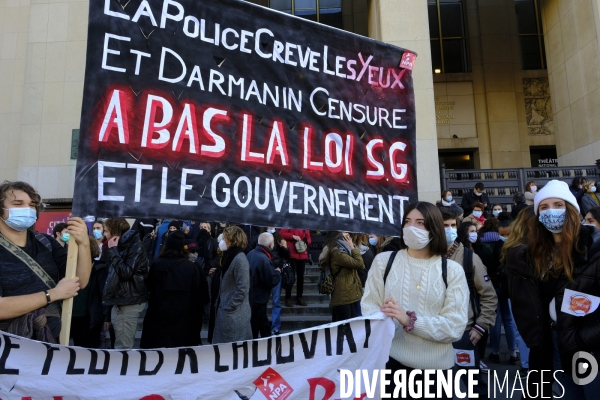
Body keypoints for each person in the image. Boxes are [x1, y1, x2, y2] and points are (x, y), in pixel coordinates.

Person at [362, 202, 469, 399]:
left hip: (437, 375)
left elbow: (455, 326)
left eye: (420, 222)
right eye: (407, 222)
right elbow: (369, 307)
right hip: (392, 367)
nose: (412, 228)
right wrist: (381, 317)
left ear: (434, 228)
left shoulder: (452, 271)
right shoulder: (384, 262)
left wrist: (409, 320)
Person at [505, 180, 600, 398]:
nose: (552, 212)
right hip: (555, 345)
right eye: (544, 207)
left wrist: (578, 337)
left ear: (573, 211)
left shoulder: (594, 248)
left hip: (591, 349)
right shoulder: (538, 254)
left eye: (559, 205)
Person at [0, 181, 92, 343]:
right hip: (9, 348)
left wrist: (84, 243)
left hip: (50, 340)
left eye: (32, 205)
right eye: (18, 204)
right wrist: (53, 294)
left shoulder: (46, 242)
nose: (27, 209)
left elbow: (79, 281)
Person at [442, 208, 497, 398]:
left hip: (464, 333)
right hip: (434, 335)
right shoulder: (426, 257)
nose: (448, 230)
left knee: (473, 386)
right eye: (443, 226)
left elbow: (489, 295)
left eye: (451, 225)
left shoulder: (468, 257)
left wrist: (481, 326)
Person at [140, 231, 207, 348]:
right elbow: (201, 295)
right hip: (184, 321)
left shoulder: (157, 264)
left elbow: (149, 286)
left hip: (159, 319)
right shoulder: (192, 267)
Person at [102, 218, 149, 350]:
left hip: (128, 301)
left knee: (123, 348)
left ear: (115, 232)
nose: (104, 234)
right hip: (120, 301)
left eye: (106, 231)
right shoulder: (122, 246)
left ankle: (122, 370)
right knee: (119, 345)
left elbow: (125, 272)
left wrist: (113, 250)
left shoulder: (135, 246)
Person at [212, 226, 252, 344]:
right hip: (227, 312)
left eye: (225, 237)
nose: (222, 240)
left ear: (232, 240)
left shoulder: (240, 258)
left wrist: (229, 306)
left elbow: (243, 288)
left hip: (235, 314)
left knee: (233, 350)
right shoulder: (228, 256)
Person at [320, 232, 365, 322]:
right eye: (346, 236)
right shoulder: (337, 252)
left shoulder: (344, 249)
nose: (350, 238)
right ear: (340, 238)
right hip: (343, 296)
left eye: (349, 236)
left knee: (351, 328)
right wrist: (352, 247)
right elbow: (360, 264)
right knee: (344, 329)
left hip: (350, 294)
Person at [70, 236, 103, 348]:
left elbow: (103, 295)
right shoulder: (68, 268)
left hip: (90, 317)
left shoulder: (100, 269)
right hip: (72, 316)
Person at [247, 232, 281, 338]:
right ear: (271, 244)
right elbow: (271, 280)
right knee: (260, 325)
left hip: (252, 297)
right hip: (259, 298)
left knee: (259, 324)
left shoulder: (251, 253)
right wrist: (277, 273)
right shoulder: (264, 259)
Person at [263, 227, 290, 335]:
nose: (270, 227)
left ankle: (275, 327)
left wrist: (285, 248)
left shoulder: (279, 238)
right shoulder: (262, 237)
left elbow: (287, 256)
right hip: (265, 271)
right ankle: (263, 325)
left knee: (276, 301)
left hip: (276, 272)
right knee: (263, 301)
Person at [279, 228, 311, 307]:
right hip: (292, 254)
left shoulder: (304, 225)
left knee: (301, 277)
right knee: (290, 276)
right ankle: (288, 298)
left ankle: (299, 297)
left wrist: (306, 242)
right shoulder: (289, 223)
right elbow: (282, 233)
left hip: (302, 253)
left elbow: (309, 238)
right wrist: (292, 236)